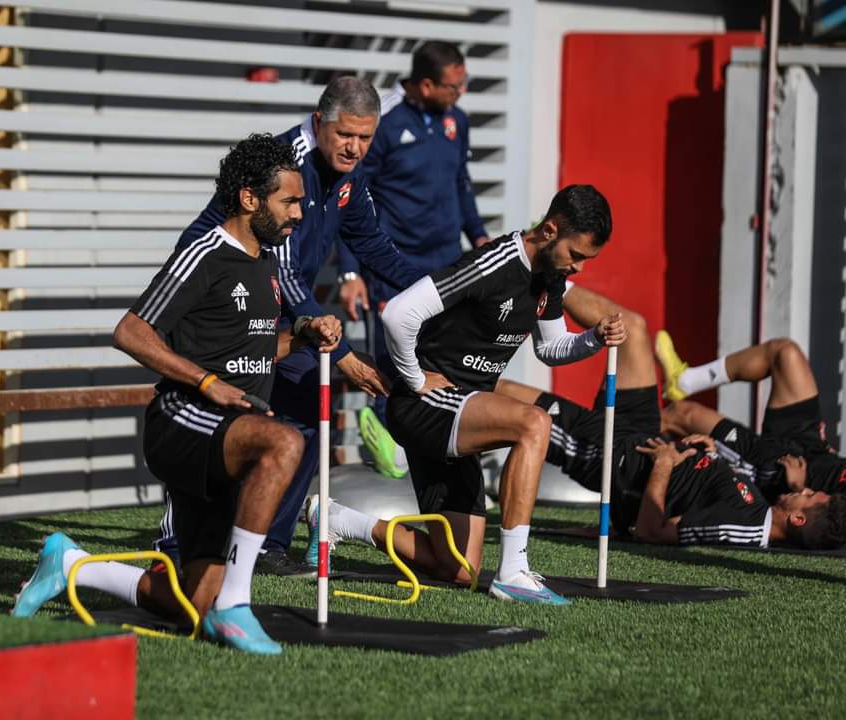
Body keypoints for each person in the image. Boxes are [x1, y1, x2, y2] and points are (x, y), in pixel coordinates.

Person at [11, 134, 342, 655]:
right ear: (249, 199)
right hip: (181, 418)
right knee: (284, 442)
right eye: (290, 202)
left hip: (226, 432)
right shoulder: (204, 254)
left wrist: (303, 335)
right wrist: (206, 383)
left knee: (192, 603)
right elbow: (130, 332)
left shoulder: (267, 262)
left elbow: (253, 351)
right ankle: (237, 604)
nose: (299, 214)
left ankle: (71, 565)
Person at [154, 76, 425, 576]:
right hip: (220, 302)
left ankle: (266, 545)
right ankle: (174, 541)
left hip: (281, 313)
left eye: (365, 137)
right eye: (345, 135)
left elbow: (373, 244)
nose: (355, 147)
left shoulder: (349, 175)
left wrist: (436, 293)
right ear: (319, 123)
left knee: (306, 411)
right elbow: (285, 270)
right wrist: (343, 355)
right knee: (211, 417)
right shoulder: (286, 165)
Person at [355, 184, 619, 604]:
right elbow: (400, 314)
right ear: (550, 229)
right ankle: (513, 573)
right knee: (534, 423)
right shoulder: (494, 262)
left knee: (460, 569)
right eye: (576, 255)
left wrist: (593, 338)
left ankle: (335, 521)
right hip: (424, 405)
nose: (579, 268)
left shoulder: (551, 277)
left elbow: (551, 348)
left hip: (461, 411)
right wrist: (415, 379)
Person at [494, 287, 846, 550]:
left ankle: (457, 377)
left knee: (503, 394)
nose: (806, 490)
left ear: (798, 518)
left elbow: (651, 532)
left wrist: (663, 464)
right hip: (646, 437)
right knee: (631, 327)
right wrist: (713, 453)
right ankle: (550, 280)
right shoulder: (760, 511)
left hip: (618, 459)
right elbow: (704, 490)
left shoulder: (747, 527)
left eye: (810, 495)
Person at [336, 41, 490, 478]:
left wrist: (479, 236)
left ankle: (438, 454)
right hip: (392, 266)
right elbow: (350, 197)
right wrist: (350, 272)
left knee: (445, 360)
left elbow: (461, 184)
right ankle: (392, 462)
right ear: (425, 84)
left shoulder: (456, 121)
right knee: (394, 364)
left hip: (446, 265)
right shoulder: (384, 122)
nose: (460, 93)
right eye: (453, 86)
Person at [656, 332, 846, 502]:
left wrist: (799, 487)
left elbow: (831, 523)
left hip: (781, 474)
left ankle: (636, 440)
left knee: (681, 414)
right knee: (784, 353)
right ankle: (684, 381)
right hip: (814, 447)